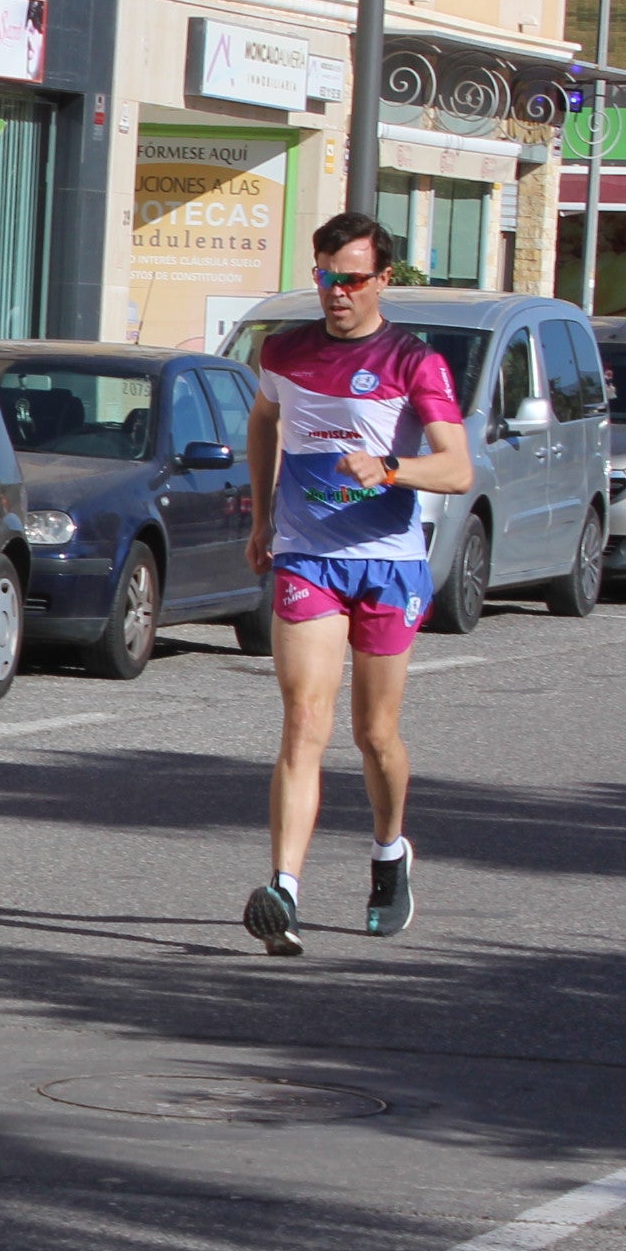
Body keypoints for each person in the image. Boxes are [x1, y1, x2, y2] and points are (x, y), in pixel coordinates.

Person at [239, 212, 473, 955]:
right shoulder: (283, 350)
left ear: (383, 280)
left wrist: (392, 468)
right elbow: (264, 421)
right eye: (325, 276)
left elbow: (459, 468)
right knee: (305, 720)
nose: (336, 292)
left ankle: (389, 850)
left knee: (375, 736)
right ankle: (284, 890)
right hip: (308, 556)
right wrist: (262, 514)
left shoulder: (414, 362)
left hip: (389, 561)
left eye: (351, 278)